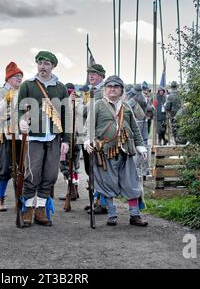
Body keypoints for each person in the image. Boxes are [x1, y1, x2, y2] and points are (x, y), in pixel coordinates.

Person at [84, 75, 149, 227]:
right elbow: (89, 127)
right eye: (109, 87)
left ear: (121, 90)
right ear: (105, 89)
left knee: (131, 183)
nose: (112, 89)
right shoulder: (98, 105)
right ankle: (112, 215)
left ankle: (134, 215)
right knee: (107, 183)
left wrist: (140, 146)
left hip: (126, 151)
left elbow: (135, 129)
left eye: (116, 87)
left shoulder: (126, 107)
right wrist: (88, 140)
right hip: (105, 152)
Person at [18, 51, 71, 226]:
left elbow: (66, 116)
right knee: (32, 174)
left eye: (47, 63)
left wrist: (66, 140)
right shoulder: (28, 85)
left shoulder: (61, 88)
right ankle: (27, 210)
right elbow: (20, 109)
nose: (43, 66)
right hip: (34, 136)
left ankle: (40, 209)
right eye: (40, 63)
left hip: (54, 137)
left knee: (49, 174)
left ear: (53, 66)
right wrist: (21, 122)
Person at [0, 62, 24, 211]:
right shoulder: (0, 93)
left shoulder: (24, 92)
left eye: (21, 76)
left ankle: (20, 200)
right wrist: (6, 100)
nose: (19, 78)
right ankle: (0, 200)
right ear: (9, 78)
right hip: (5, 136)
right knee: (4, 170)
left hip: (22, 137)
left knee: (22, 169)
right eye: (16, 76)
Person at [82, 64, 108, 214]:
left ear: (101, 76)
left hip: (98, 135)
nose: (91, 76)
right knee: (91, 169)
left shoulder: (101, 91)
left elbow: (87, 110)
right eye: (90, 73)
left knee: (99, 169)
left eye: (95, 74)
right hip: (90, 133)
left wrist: (79, 107)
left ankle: (102, 202)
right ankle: (96, 199)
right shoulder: (93, 90)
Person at [58, 83, 83, 201]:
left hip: (69, 138)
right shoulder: (80, 102)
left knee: (66, 166)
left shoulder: (67, 103)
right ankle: (75, 190)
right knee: (75, 167)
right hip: (78, 137)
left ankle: (72, 190)